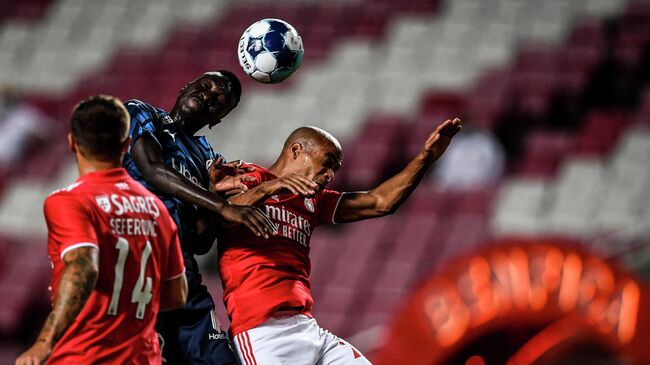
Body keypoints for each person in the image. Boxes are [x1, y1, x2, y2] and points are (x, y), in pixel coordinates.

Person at [220, 118, 462, 364]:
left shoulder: (313, 201)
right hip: (262, 331)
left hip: (307, 326)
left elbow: (381, 202)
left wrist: (425, 158)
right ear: (295, 151)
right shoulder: (248, 177)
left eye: (335, 169)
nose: (330, 176)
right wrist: (272, 187)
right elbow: (221, 214)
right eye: (326, 164)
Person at [16, 95, 188, 365]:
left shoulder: (71, 200)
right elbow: (176, 295)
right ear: (126, 144)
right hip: (143, 357)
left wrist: (43, 343)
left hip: (84, 355)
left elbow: (83, 266)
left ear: (72, 142)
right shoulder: (157, 209)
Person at [122, 70, 272, 364]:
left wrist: (214, 193)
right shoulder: (140, 112)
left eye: (218, 101)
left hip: (184, 273)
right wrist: (221, 205)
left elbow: (200, 242)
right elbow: (152, 168)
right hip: (139, 262)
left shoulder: (207, 156)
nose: (208, 96)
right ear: (185, 86)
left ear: (217, 119)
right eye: (204, 87)